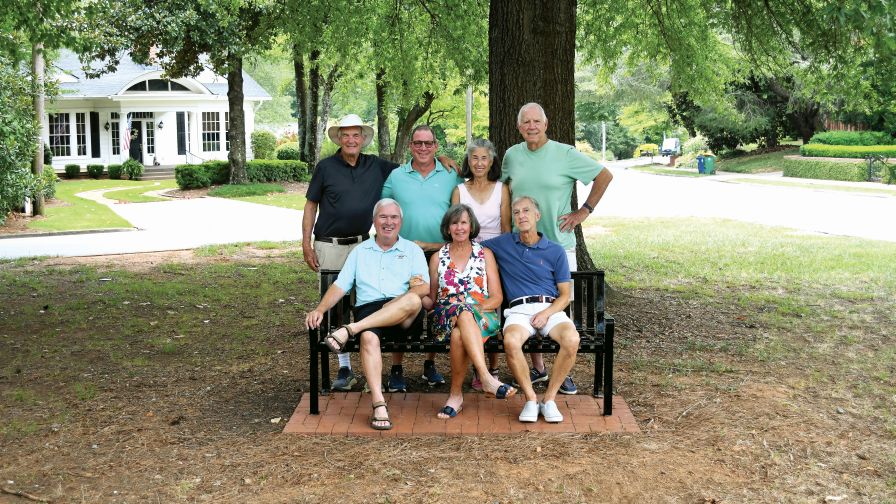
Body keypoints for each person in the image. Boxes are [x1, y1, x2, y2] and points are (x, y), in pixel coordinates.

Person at [303, 114, 457, 392]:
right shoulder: (328, 168)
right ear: (339, 139)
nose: (351, 140)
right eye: (346, 135)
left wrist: (441, 157)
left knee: (422, 298)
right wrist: (305, 242)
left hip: (410, 247)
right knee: (341, 306)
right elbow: (311, 205)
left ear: (363, 139)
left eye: (356, 135)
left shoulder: (378, 165)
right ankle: (346, 368)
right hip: (336, 244)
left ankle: (422, 362)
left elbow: (423, 161)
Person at [501, 102, 613, 395]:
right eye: (526, 122)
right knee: (525, 306)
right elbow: (502, 194)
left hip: (559, 246)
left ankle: (561, 374)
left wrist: (584, 211)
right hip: (522, 247)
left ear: (546, 124)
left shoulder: (565, 154)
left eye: (537, 121)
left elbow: (604, 176)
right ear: (519, 127)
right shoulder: (512, 156)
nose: (531, 126)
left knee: (561, 308)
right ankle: (538, 370)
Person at [305, 199, 429, 431]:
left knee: (412, 299)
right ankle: (378, 403)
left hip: (404, 313)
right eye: (383, 217)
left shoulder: (412, 250)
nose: (388, 222)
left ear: (401, 222)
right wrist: (320, 309)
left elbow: (422, 289)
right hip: (369, 309)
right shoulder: (360, 252)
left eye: (394, 217)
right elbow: (341, 286)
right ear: (374, 221)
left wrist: (396, 302)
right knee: (369, 338)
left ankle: (351, 329)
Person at [482, 196, 579, 423]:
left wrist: (546, 313)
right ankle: (531, 399)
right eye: (516, 212)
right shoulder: (504, 244)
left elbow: (565, 295)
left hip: (550, 307)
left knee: (572, 340)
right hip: (518, 310)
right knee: (511, 342)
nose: (521, 215)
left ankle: (550, 400)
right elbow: (466, 243)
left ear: (537, 216)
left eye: (526, 211)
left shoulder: (555, 251)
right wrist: (428, 246)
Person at [381, 124, 463, 391]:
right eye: (418, 143)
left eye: (429, 144)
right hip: (404, 253)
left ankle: (430, 364)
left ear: (436, 146)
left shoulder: (451, 174)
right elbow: (383, 211)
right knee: (402, 305)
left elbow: (462, 207)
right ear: (410, 146)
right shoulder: (396, 176)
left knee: (437, 306)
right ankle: (397, 367)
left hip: (441, 252)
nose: (423, 148)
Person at [427, 204, 516, 419]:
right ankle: (485, 377)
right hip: (445, 316)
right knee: (462, 316)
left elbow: (497, 297)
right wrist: (415, 295)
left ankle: (456, 396)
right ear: (448, 228)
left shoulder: (485, 254)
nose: (459, 227)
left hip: (482, 316)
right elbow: (432, 298)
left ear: (471, 225)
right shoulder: (438, 258)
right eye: (454, 223)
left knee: (461, 330)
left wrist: (473, 308)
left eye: (464, 222)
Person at [450, 138, 511, 390]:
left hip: (494, 254)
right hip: (467, 254)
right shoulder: (459, 190)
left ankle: (492, 367)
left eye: (484, 158)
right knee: (471, 305)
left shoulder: (502, 189)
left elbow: (506, 228)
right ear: (468, 160)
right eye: (474, 158)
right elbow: (455, 226)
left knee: (492, 307)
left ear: (492, 161)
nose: (479, 163)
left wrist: (500, 259)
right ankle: (479, 368)